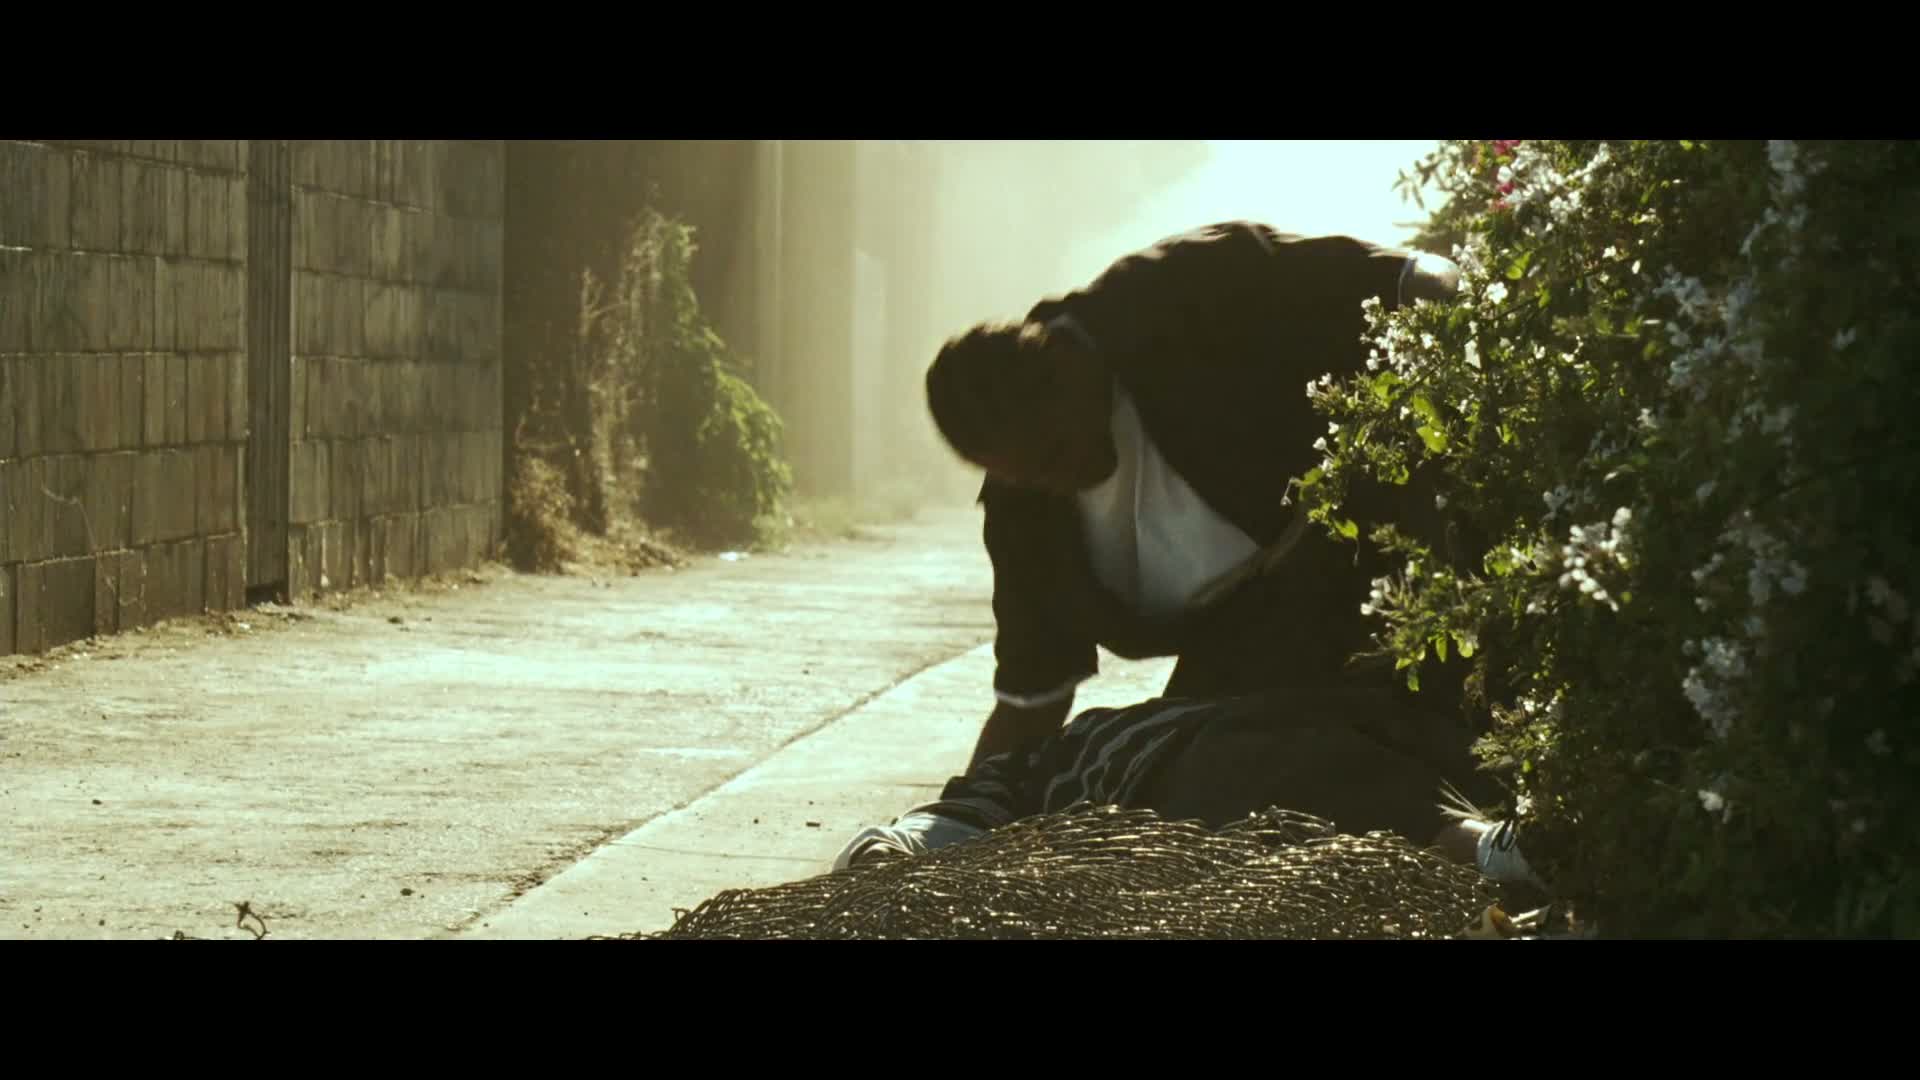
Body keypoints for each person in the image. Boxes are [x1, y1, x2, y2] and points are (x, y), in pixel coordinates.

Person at [924, 221, 1471, 768]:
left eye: (1054, 453)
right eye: (1026, 479)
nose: (1054, 484)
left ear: (1064, 362)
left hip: (1398, 574)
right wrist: (969, 807)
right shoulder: (1026, 516)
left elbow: (1412, 282)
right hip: (1254, 660)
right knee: (1180, 769)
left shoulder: (1183, 291)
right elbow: (1030, 701)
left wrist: (1482, 347)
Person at [830, 687, 1546, 895]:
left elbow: (912, 838)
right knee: (1380, 791)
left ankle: (1511, 848)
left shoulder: (1040, 769)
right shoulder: (1011, 790)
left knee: (1371, 791)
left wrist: (884, 856)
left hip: (1187, 761)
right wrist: (884, 856)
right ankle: (1512, 846)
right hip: (1276, 734)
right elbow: (906, 840)